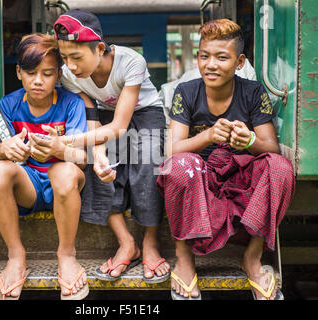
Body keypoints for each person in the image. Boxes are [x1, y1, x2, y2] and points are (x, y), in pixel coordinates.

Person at [156, 19, 295, 300]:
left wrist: (250, 141)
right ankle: (184, 257)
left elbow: (272, 148)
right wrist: (207, 136)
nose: (211, 64)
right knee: (180, 166)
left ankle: (253, 257)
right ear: (197, 58)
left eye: (222, 57)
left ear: (240, 61)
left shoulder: (254, 92)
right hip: (201, 178)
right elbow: (172, 150)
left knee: (280, 167)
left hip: (240, 177)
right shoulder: (187, 92)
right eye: (204, 56)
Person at [53, 9, 171, 283]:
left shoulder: (131, 61)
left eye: (77, 57)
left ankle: (151, 242)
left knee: (149, 158)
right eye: (65, 57)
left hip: (144, 113)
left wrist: (68, 140)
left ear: (100, 48)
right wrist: (98, 152)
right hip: (104, 118)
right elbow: (91, 113)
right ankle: (126, 242)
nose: (70, 66)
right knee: (97, 166)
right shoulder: (70, 75)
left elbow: (120, 126)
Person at [0, 33, 89, 300]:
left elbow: (83, 158)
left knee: (63, 170)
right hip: (28, 183)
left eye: (47, 73)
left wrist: (60, 150)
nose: (38, 81)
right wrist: (4, 149)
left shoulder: (72, 104)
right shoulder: (8, 105)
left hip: (64, 187)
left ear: (59, 74)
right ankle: (16, 256)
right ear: (18, 72)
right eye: (31, 73)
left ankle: (66, 255)